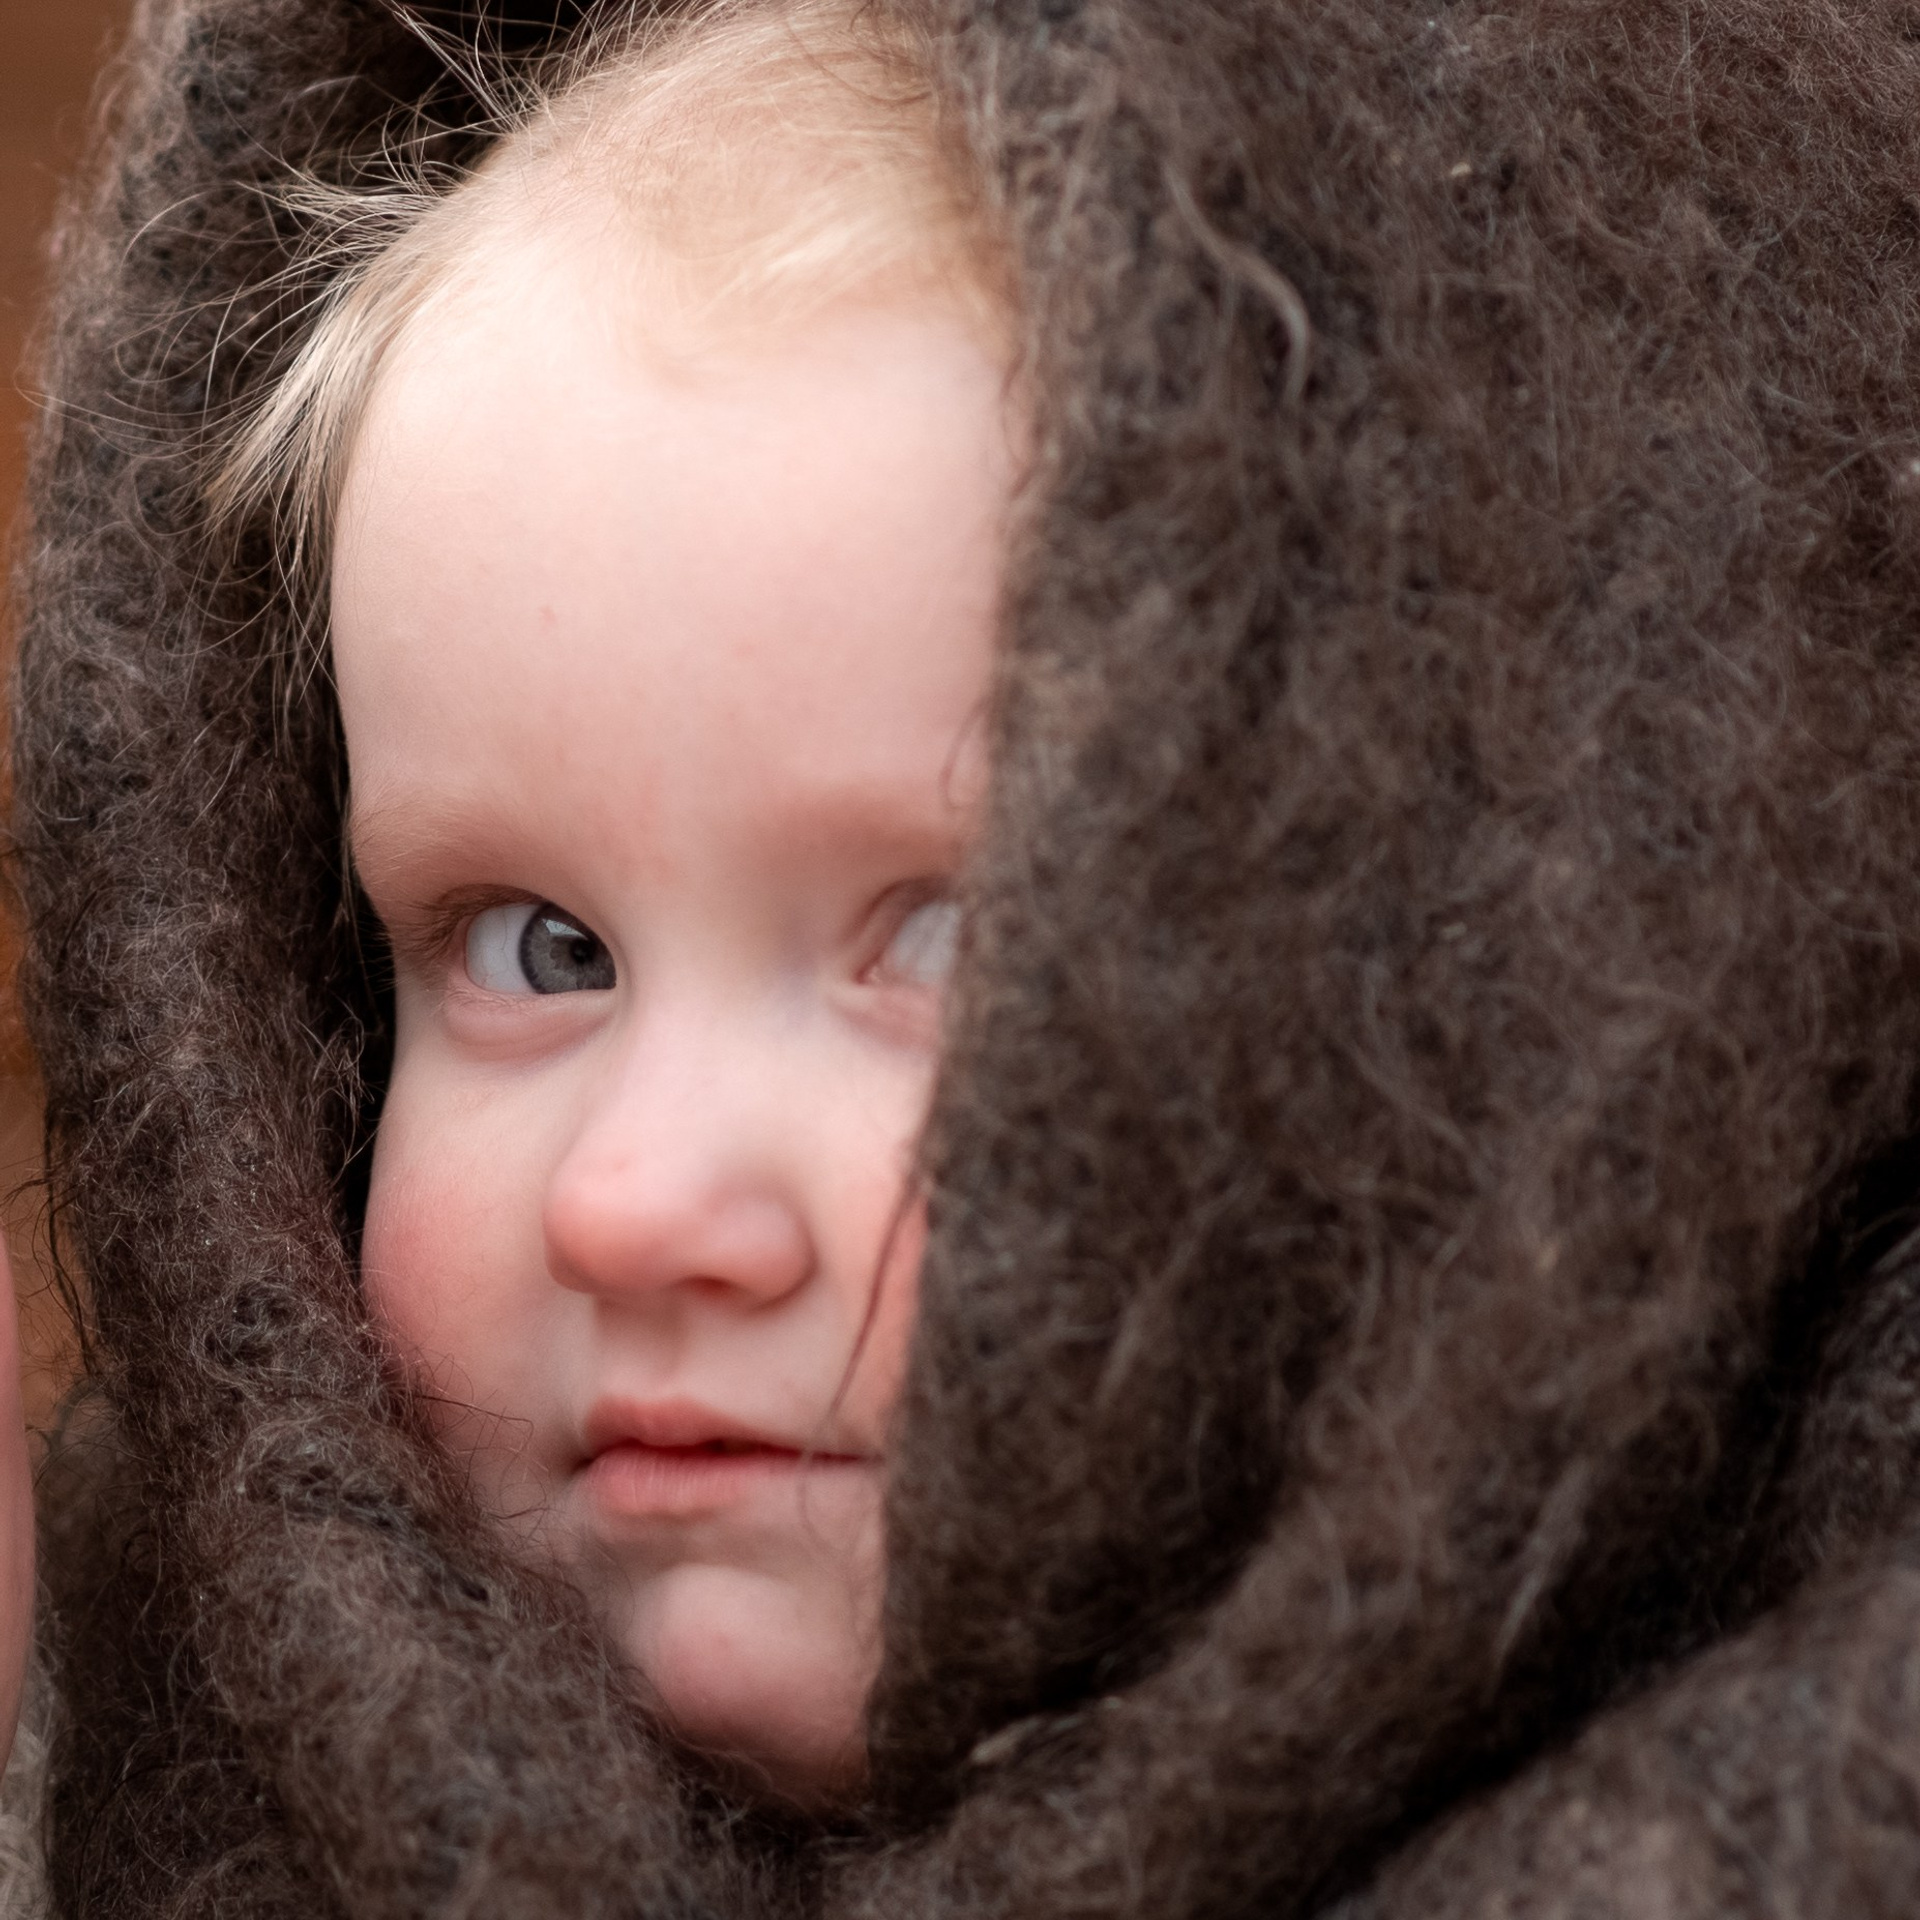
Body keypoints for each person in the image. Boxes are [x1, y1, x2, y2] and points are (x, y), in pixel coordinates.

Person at [14, 0, 1920, 1914]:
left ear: (1512, 987)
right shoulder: (112, 1771)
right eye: (541, 949)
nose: (638, 1206)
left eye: (944, 935)